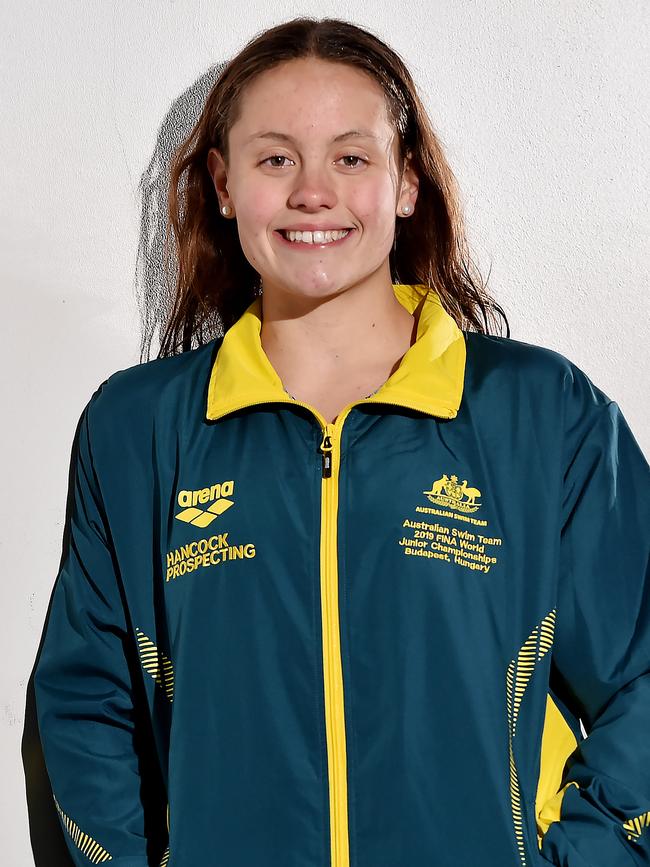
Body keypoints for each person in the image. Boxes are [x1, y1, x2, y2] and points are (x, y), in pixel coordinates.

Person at [33, 16, 650, 867]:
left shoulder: (543, 416)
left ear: (405, 183)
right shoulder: (136, 429)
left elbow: (642, 675)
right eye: (275, 158)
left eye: (351, 158)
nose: (311, 192)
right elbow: (83, 703)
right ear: (223, 183)